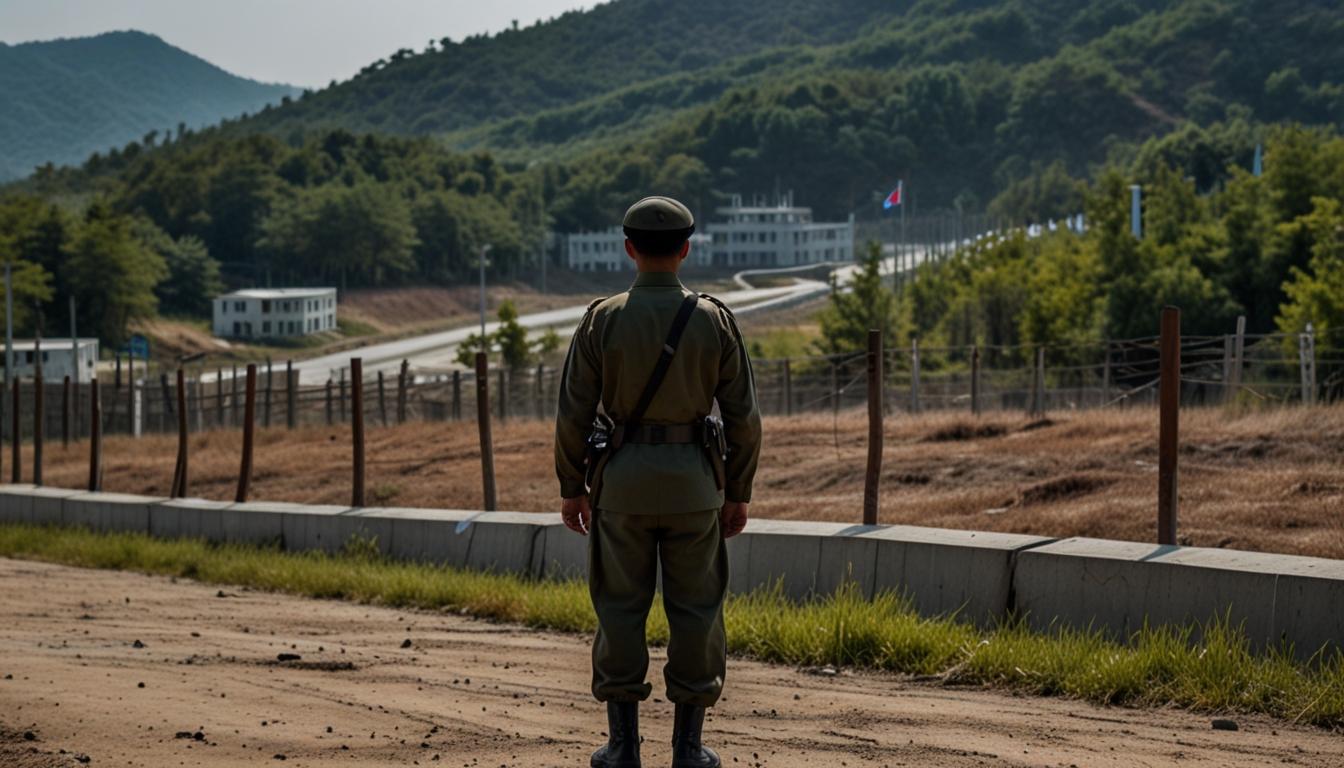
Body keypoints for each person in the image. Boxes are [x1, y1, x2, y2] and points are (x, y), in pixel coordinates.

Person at [554, 196, 762, 768]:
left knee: (620, 608)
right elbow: (743, 417)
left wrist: (572, 486)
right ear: (686, 249)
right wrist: (738, 492)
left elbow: (574, 411)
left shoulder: (603, 317)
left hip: (619, 490)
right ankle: (689, 749)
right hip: (696, 490)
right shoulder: (713, 318)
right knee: (697, 611)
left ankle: (622, 747)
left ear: (629, 248)